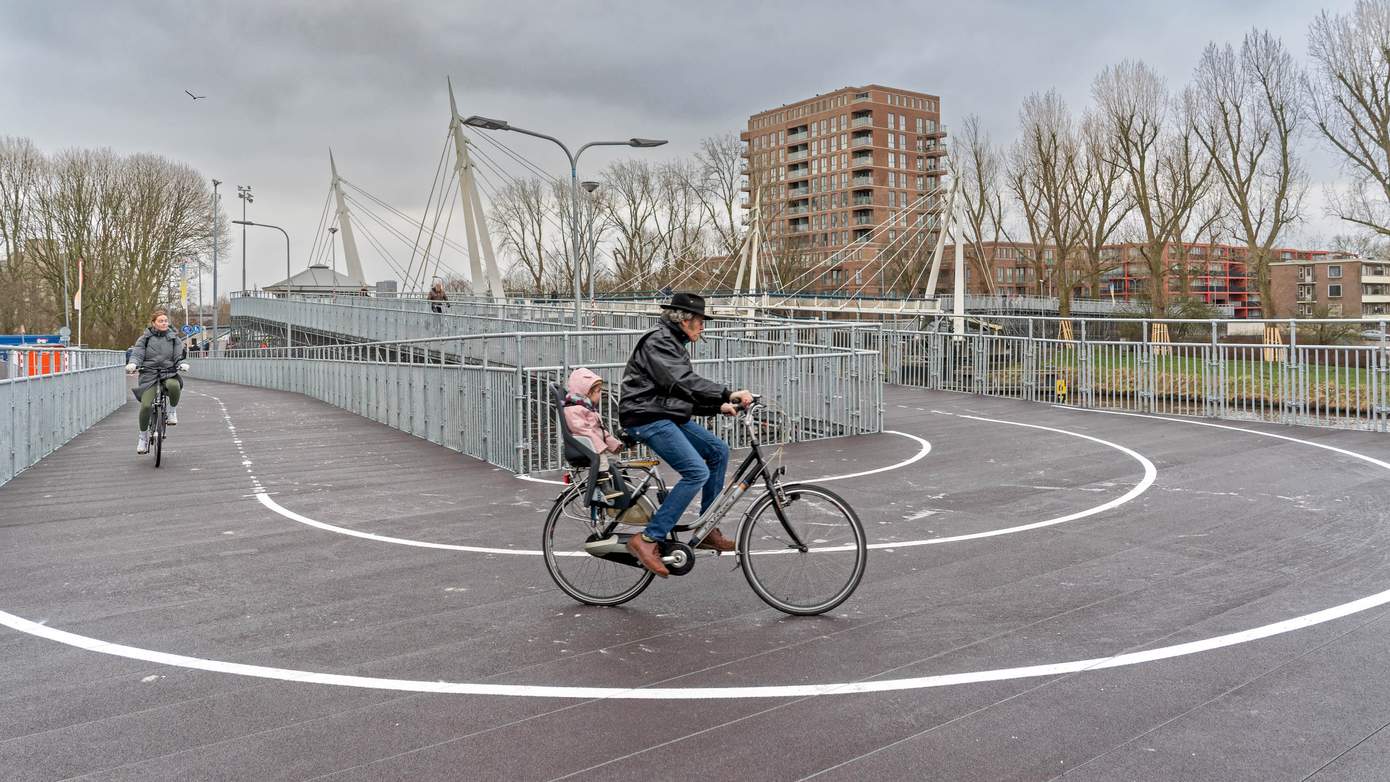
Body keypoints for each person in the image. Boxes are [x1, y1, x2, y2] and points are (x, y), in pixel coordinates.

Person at [618, 292, 753, 577]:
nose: (703, 327)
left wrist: (719, 405)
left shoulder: (673, 342)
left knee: (718, 451)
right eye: (701, 321)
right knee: (695, 472)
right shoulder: (659, 341)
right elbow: (682, 381)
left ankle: (706, 527)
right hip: (645, 415)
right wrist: (727, 392)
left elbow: (681, 392)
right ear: (685, 319)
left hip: (663, 412)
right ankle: (647, 539)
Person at [125, 309, 189, 455]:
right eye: (161, 321)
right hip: (149, 374)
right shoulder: (144, 339)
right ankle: (143, 437)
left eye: (166, 320)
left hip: (168, 372)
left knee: (174, 386)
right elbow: (137, 354)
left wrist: (181, 363)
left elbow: (179, 355)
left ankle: (172, 412)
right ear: (153, 323)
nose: (164, 323)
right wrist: (133, 364)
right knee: (146, 406)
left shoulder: (174, 338)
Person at [562, 367, 623, 495]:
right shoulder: (574, 409)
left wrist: (614, 444)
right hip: (584, 445)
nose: (601, 393)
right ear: (587, 392)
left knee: (614, 458)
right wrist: (600, 446)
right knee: (602, 460)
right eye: (598, 391)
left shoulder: (586, 407)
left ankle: (621, 481)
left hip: (592, 444)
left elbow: (599, 430)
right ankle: (605, 485)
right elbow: (582, 430)